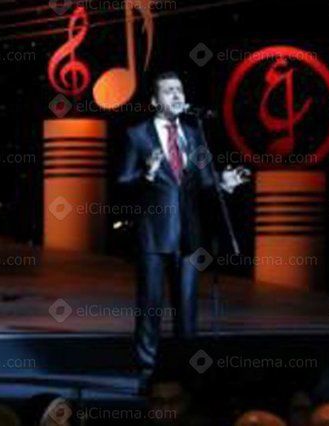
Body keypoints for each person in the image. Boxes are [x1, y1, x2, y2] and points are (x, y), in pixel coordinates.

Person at [117, 71, 250, 392]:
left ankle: (186, 374)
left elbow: (203, 182)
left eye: (180, 90)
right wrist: (147, 174)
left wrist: (224, 183)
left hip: (189, 234)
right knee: (150, 308)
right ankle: (148, 374)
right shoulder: (137, 135)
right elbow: (122, 182)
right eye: (169, 91)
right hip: (154, 234)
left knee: (187, 310)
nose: (177, 95)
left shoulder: (194, 133)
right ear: (154, 100)